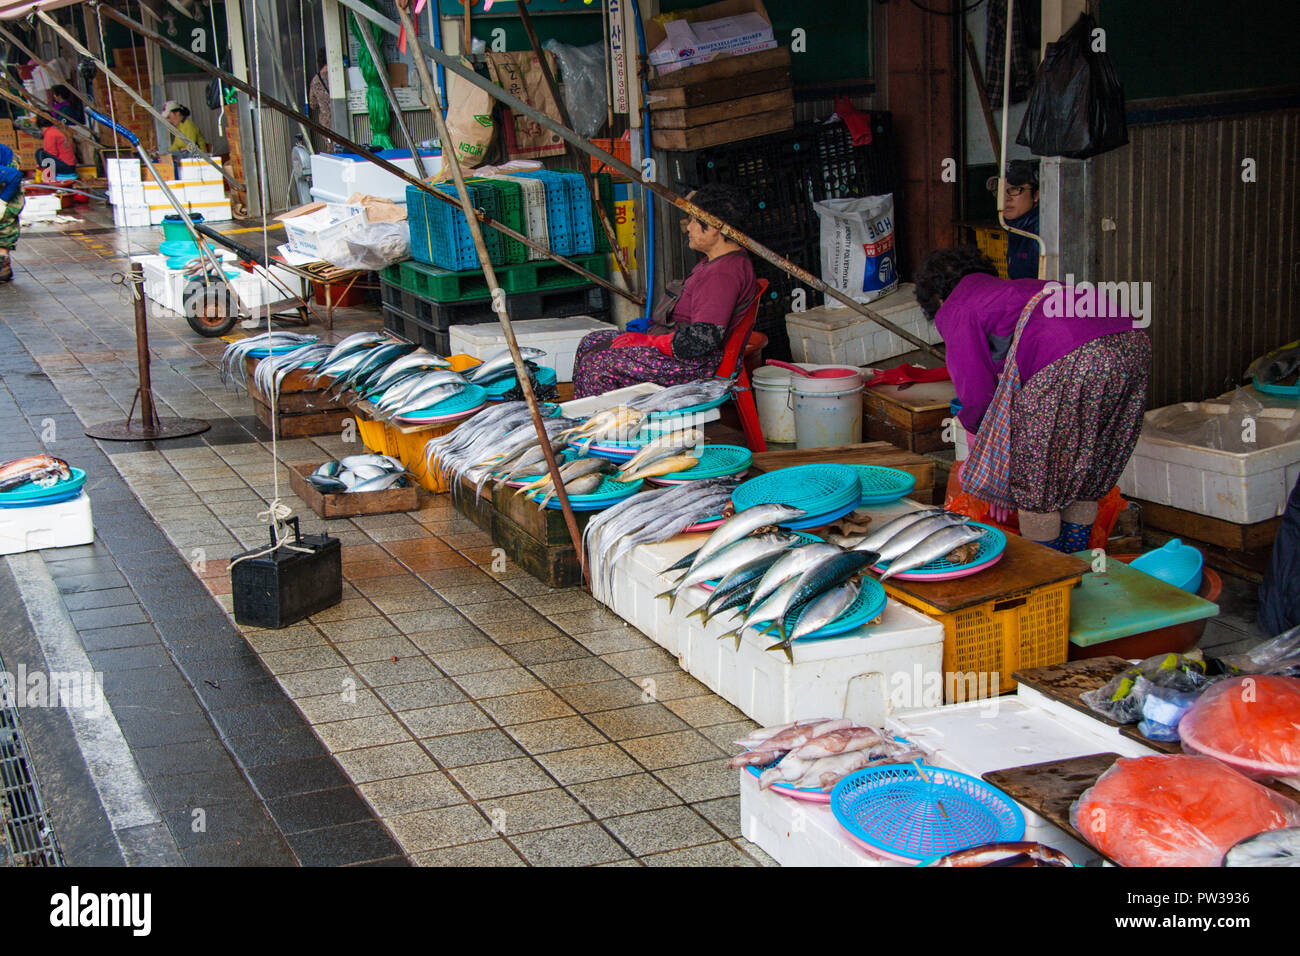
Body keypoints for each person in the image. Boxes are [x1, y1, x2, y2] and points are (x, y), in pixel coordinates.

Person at [915, 246, 1151, 552]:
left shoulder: (957, 307)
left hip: (1072, 356)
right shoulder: (1018, 289)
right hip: (1132, 344)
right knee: (1084, 478)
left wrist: (989, 472)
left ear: (936, 299)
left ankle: (1050, 575)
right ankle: (1078, 562)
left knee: (1037, 489)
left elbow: (975, 394)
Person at [572, 183, 759, 399]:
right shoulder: (717, 262)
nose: (688, 227)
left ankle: (604, 427)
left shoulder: (722, 274)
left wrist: (648, 341)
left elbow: (701, 340)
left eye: (694, 221)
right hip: (680, 350)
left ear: (715, 226)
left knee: (598, 364)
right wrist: (651, 329)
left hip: (696, 366)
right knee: (591, 342)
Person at [985, 159, 1040, 279]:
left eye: (1015, 189)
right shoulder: (1016, 228)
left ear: (1036, 195)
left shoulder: (1040, 232)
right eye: (1000, 191)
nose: (1006, 198)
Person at [0, 142, 24, 282]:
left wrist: (2, 201)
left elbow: (15, 176)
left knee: (5, 214)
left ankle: (3, 260)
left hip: (8, 169)